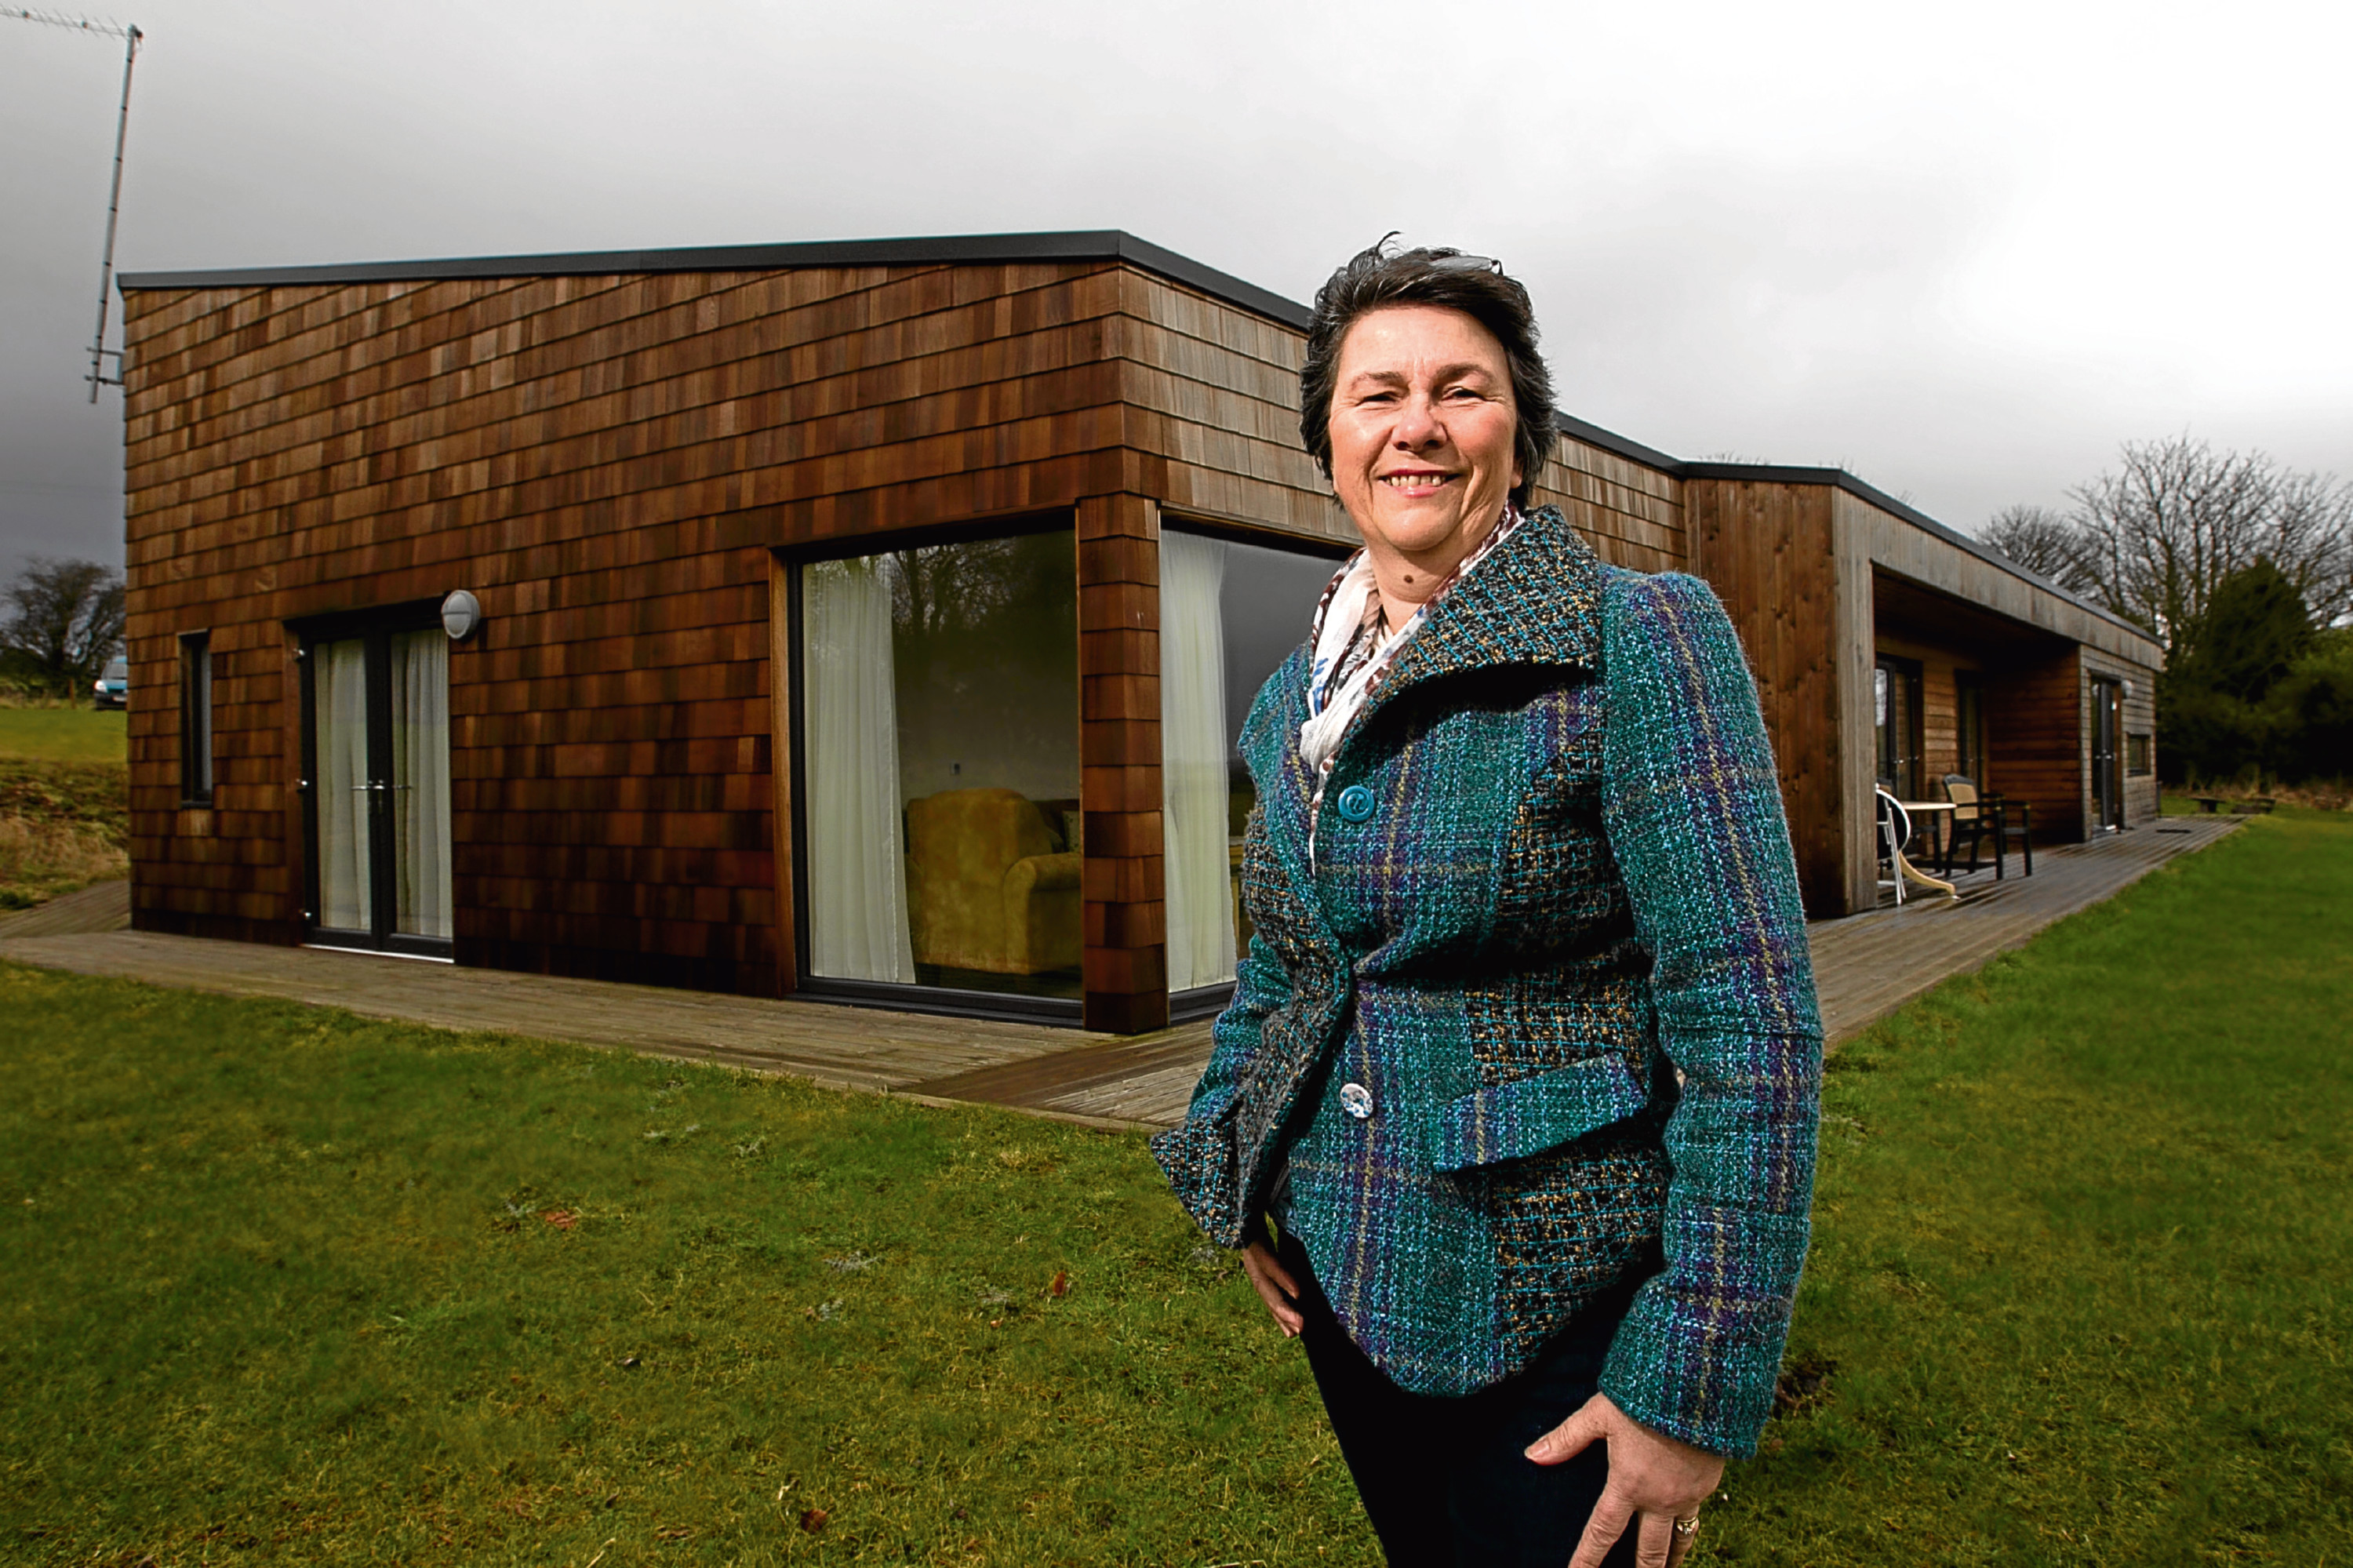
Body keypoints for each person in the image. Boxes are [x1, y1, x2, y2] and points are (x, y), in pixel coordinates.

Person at [1151, 240, 1823, 1567]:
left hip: (1557, 1305)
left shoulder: (1640, 637)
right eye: (1375, 395)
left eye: (1461, 389)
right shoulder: (1294, 701)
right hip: (1345, 1281)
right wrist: (1238, 1173)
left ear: (1521, 435)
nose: (1417, 426)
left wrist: (1691, 1379)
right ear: (1328, 441)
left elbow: (1751, 1025)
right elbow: (1288, 976)